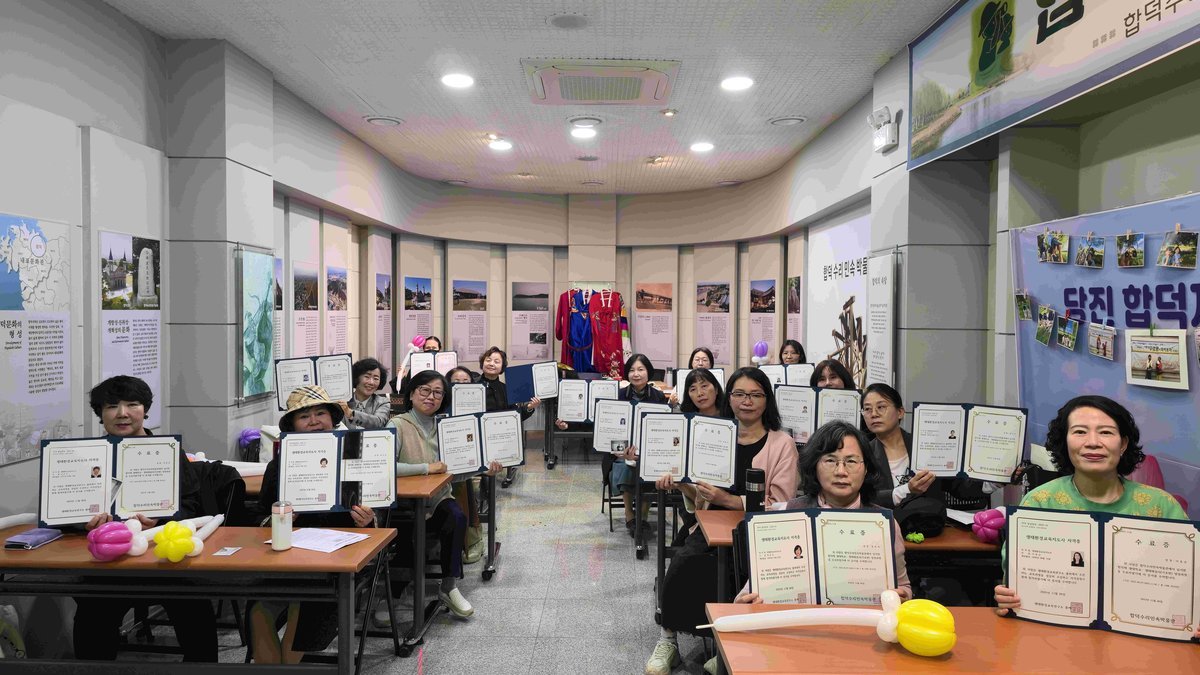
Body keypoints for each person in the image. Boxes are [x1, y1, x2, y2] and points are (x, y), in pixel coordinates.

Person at [644, 367, 799, 675]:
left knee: (742, 575)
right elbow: (699, 496)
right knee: (682, 565)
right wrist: (680, 483)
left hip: (761, 530)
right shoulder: (714, 434)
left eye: (755, 395)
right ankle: (668, 640)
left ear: (767, 400)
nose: (747, 401)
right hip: (710, 523)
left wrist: (729, 500)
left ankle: (729, 642)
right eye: (739, 394)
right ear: (729, 398)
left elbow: (780, 503)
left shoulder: (782, 443)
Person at [994, 395, 1190, 618]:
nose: (1093, 442)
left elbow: (1188, 580)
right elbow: (1017, 578)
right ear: (1065, 441)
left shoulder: (1161, 506)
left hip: (1142, 626)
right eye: (1080, 432)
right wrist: (1009, 596)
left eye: (1106, 432)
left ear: (1123, 443)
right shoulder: (1040, 502)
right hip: (1057, 627)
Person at [73, 375, 219, 663]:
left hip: (164, 559)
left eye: (132, 404)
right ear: (100, 413)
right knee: (92, 615)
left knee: (196, 612)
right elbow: (67, 512)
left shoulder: (169, 452)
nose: (122, 413)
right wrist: (84, 522)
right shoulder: (88, 456)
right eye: (111, 406)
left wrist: (161, 521)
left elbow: (192, 506)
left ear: (145, 409)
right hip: (109, 562)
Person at [252, 386, 376, 664]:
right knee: (258, 610)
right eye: (304, 416)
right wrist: (278, 519)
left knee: (305, 604)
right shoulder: (279, 465)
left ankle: (290, 666)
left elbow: (376, 517)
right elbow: (260, 518)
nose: (314, 421)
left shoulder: (354, 456)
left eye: (320, 413)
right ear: (293, 426)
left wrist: (367, 520)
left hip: (340, 559)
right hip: (287, 556)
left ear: (332, 419)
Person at [735, 420, 912, 606]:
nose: (841, 471)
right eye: (830, 461)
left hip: (859, 621)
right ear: (814, 466)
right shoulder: (786, 516)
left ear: (866, 468)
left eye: (851, 461)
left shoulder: (884, 524)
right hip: (798, 620)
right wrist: (745, 601)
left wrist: (903, 596)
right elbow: (753, 589)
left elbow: (903, 586)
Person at [381, 370, 499, 623]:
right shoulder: (397, 425)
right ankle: (395, 593)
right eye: (424, 390)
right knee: (404, 534)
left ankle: (449, 586)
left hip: (437, 499)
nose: (431, 397)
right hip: (403, 503)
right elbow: (385, 466)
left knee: (456, 518)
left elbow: (453, 472)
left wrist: (482, 468)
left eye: (437, 392)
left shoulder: (447, 427)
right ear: (411, 394)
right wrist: (426, 468)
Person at [609, 354, 672, 535]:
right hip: (623, 451)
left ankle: (642, 516)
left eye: (640, 369)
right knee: (625, 466)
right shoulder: (620, 396)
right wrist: (621, 451)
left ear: (648, 372)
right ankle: (629, 514)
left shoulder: (658, 396)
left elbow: (664, 428)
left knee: (651, 468)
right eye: (631, 370)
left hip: (651, 451)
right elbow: (613, 428)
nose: (636, 374)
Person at [478, 346, 539, 488]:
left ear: (502, 367)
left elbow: (514, 416)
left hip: (499, 435)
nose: (491, 364)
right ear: (482, 363)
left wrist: (529, 407)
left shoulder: (506, 389)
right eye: (488, 360)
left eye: (496, 361)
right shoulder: (472, 386)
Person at [390, 334, 443, 402]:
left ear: (440, 349)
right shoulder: (416, 367)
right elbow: (406, 391)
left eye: (434, 348)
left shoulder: (446, 366)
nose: (431, 350)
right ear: (423, 349)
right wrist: (401, 378)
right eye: (428, 348)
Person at [342, 357, 391, 429]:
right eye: (367, 377)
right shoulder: (344, 402)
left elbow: (378, 423)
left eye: (376, 378)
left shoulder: (382, 402)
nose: (371, 382)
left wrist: (351, 414)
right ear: (356, 377)